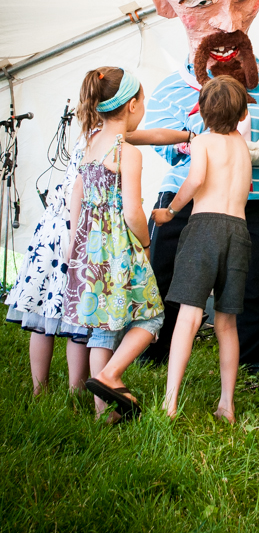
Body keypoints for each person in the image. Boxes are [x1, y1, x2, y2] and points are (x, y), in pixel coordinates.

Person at [146, 0, 259, 369]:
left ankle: (255, 354)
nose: (227, 20)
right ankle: (157, 348)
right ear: (167, 3)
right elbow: (161, 140)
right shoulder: (170, 89)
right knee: (169, 271)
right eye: (201, 1)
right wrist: (190, 145)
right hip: (191, 201)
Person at [62, 67, 165, 420]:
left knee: (103, 326)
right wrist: (146, 244)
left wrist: (75, 239)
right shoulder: (127, 152)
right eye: (144, 102)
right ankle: (111, 376)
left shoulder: (91, 142)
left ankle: (104, 410)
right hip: (119, 246)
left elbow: (77, 195)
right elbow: (133, 211)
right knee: (152, 315)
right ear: (133, 105)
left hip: (90, 246)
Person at [152, 76, 252, 422]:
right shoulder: (242, 146)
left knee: (189, 315)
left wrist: (170, 210)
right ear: (242, 115)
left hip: (205, 227)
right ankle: (227, 404)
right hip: (238, 231)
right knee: (227, 322)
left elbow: (195, 180)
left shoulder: (203, 141)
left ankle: (170, 402)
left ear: (201, 113)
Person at [5, 136, 90, 395]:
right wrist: (76, 239)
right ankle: (76, 393)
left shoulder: (86, 135)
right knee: (77, 320)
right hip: (73, 231)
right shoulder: (102, 139)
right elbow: (77, 191)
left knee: (43, 314)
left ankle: (38, 389)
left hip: (50, 230)